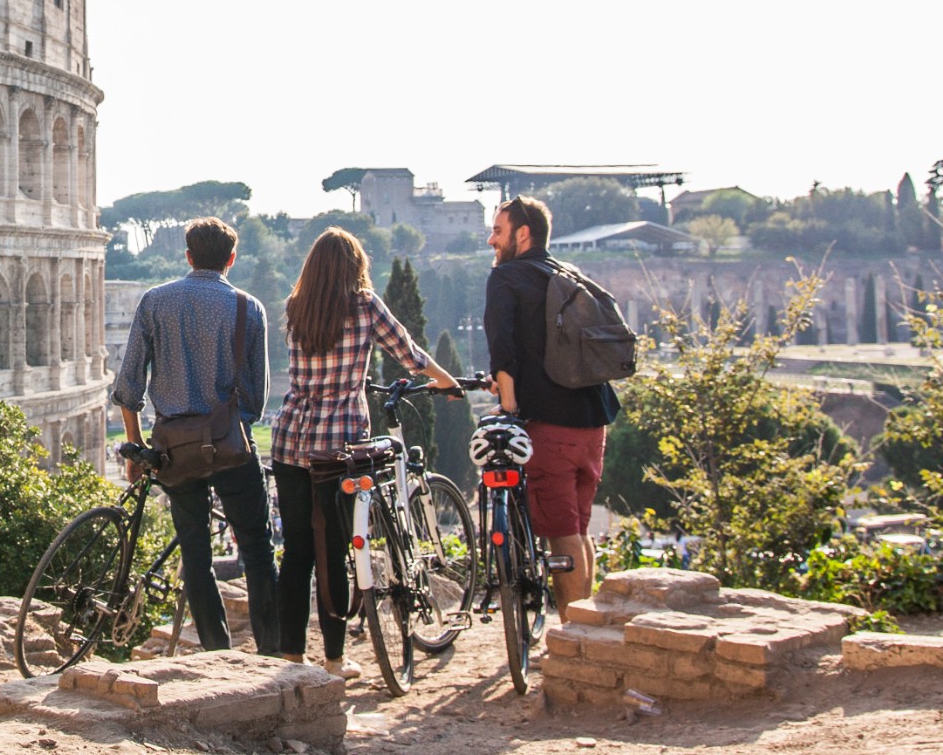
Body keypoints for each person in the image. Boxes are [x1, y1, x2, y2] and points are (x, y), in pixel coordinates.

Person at [269, 227, 460, 678]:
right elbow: (410, 355)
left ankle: (291, 657)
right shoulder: (365, 305)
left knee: (296, 552)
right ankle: (334, 662)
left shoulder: (295, 307)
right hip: (338, 448)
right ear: (355, 267)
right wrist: (447, 381)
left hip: (291, 439)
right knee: (332, 551)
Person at [110, 216, 279, 654]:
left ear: (187, 256)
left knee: (196, 557)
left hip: (174, 449)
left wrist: (137, 448)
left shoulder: (154, 301)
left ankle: (216, 653)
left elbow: (129, 386)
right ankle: (273, 651)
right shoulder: (249, 308)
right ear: (232, 259)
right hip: (231, 446)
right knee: (258, 550)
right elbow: (255, 400)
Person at [484, 195, 621, 616]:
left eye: (498, 231)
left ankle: (569, 639)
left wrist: (507, 407)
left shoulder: (506, 278)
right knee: (578, 529)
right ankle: (586, 628)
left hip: (550, 424)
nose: (491, 240)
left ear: (522, 234)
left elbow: (502, 350)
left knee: (561, 535)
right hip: (593, 419)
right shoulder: (567, 273)